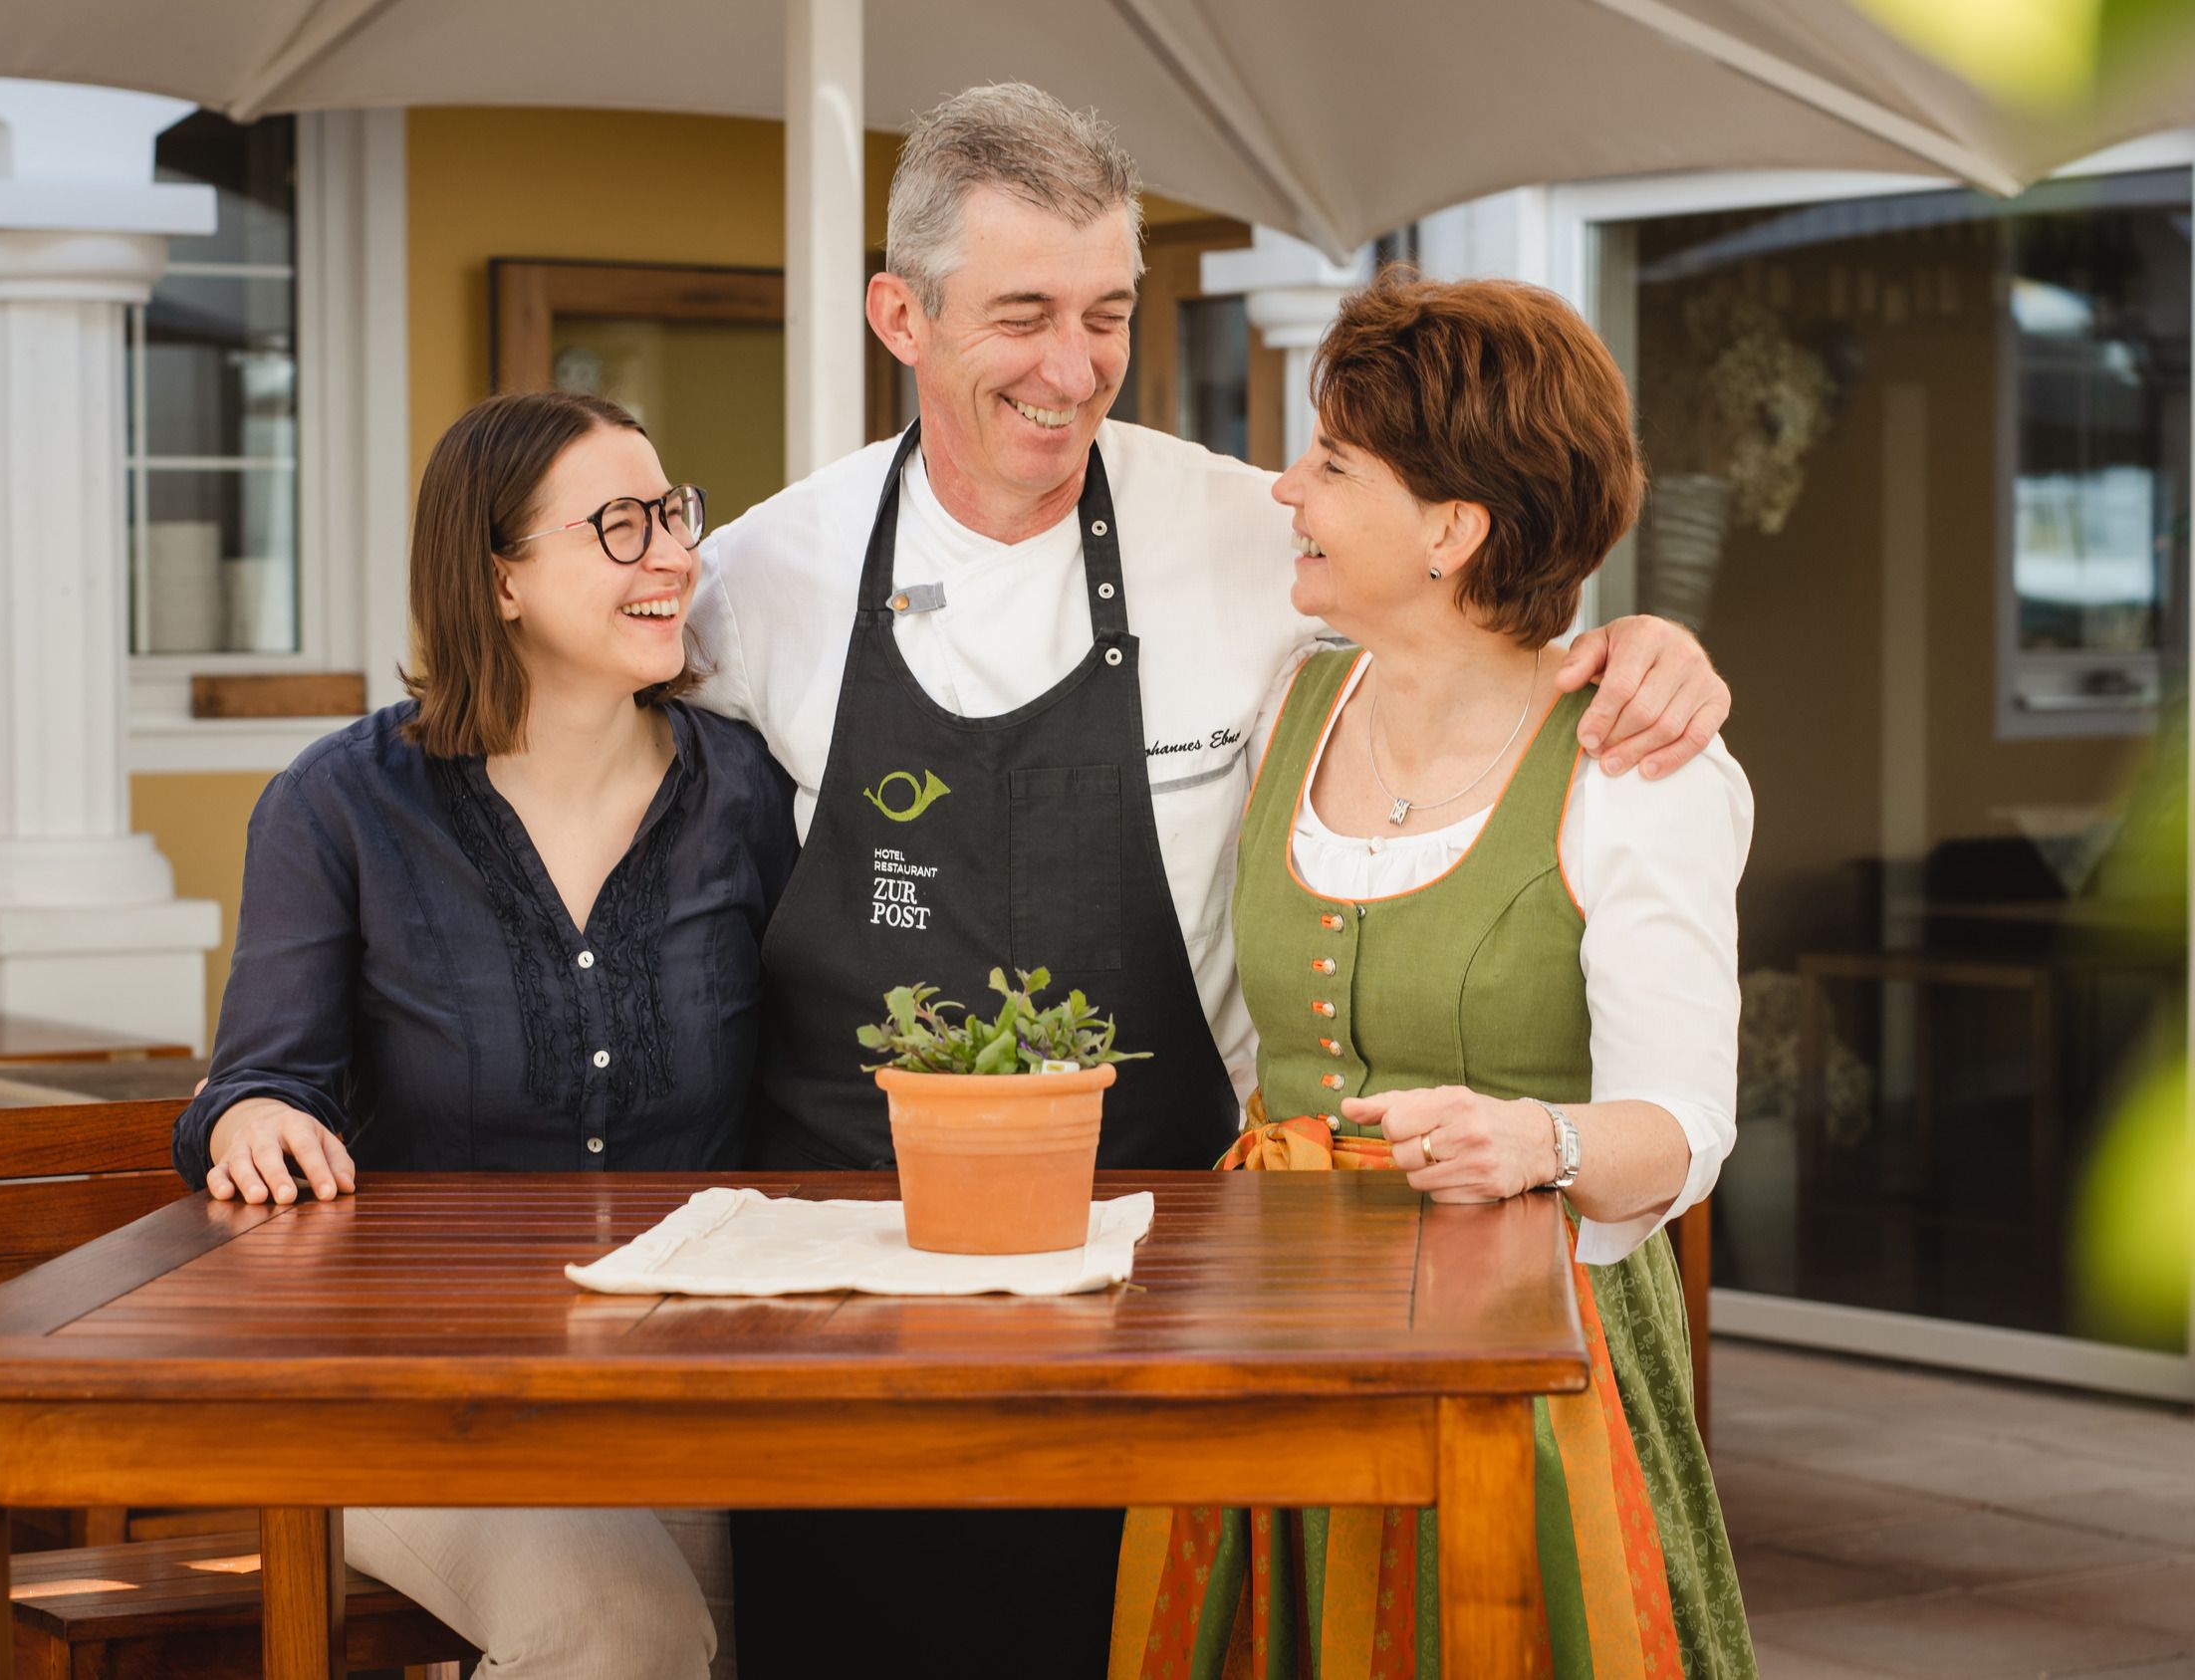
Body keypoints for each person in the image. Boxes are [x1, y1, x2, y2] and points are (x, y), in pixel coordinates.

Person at [692, 83, 1736, 1676]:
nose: (1073, 366)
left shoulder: (1254, 535)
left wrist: (1649, 643)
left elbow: (1478, 612)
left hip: (1176, 1274)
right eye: (1023, 313)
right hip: (856, 1272)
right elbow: (545, 716)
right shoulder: (763, 576)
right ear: (898, 314)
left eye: (1107, 312)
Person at [1109, 268, 1756, 1676]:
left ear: (1453, 529)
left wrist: (1540, 1139)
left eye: (1334, 464)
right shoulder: (1289, 695)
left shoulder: (1640, 770)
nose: (1290, 492)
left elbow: (1684, 1131)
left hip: (1525, 1362)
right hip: (1271, 1332)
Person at [173, 388, 799, 1677]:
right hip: (418, 1385)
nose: (676, 552)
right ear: (498, 578)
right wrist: (255, 1117)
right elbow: (256, 1085)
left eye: (673, 514)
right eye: (618, 525)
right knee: (623, 1635)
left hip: (692, 1371)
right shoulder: (337, 806)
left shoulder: (749, 793)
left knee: (797, 1616)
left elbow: (812, 1082)